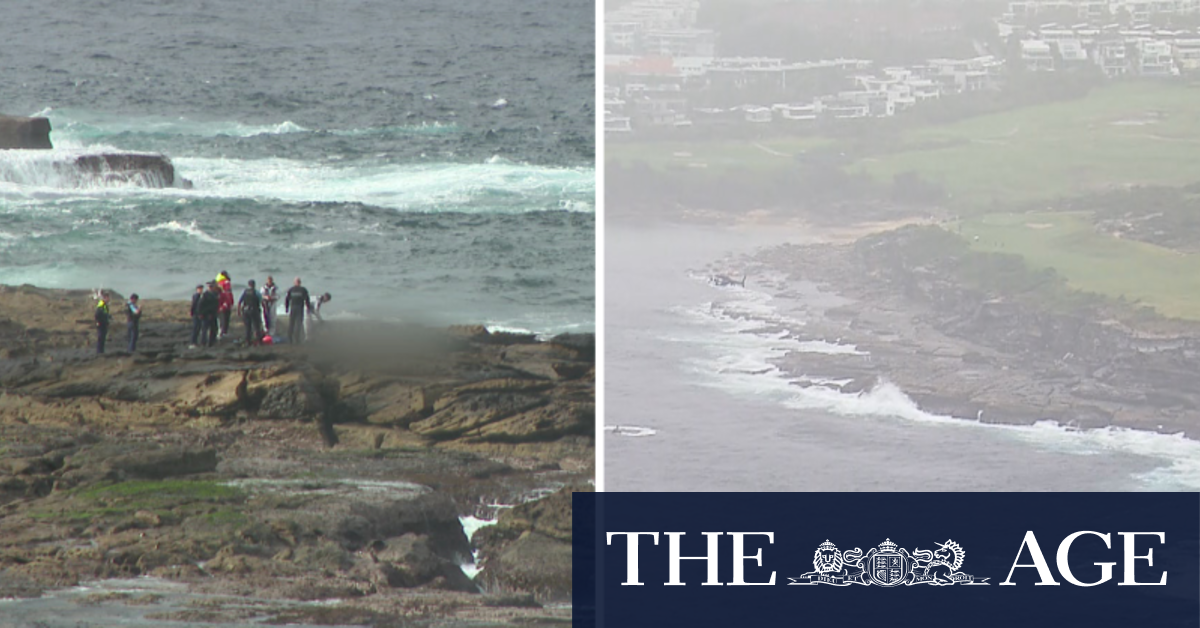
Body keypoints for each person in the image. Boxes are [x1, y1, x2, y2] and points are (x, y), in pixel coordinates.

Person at [284, 277, 312, 344]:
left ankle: (290, 338)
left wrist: (287, 308)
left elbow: (287, 299)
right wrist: (308, 308)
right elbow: (307, 300)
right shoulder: (303, 290)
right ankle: (296, 338)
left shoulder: (291, 290)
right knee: (298, 323)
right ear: (300, 282)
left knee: (292, 323)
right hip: (299, 308)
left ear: (294, 282)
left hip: (294, 308)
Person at [238, 279, 264, 345]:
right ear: (254, 285)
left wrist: (239, 311)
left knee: (248, 327)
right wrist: (265, 309)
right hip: (254, 311)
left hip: (246, 311)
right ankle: (259, 341)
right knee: (257, 326)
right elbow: (261, 301)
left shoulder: (245, 292)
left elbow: (240, 302)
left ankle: (248, 340)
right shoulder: (256, 292)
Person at [198, 282, 221, 347]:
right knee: (205, 329)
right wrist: (201, 313)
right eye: (210, 287)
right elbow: (200, 305)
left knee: (214, 328)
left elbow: (216, 304)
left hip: (213, 314)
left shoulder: (216, 294)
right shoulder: (205, 295)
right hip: (206, 314)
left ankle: (212, 341)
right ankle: (203, 342)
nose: (211, 288)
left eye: (212, 287)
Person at [216, 271, 233, 337]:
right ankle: (223, 332)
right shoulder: (226, 282)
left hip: (220, 304)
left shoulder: (218, 282)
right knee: (225, 318)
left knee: (221, 319)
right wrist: (230, 302)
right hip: (226, 303)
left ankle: (221, 332)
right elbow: (228, 293)